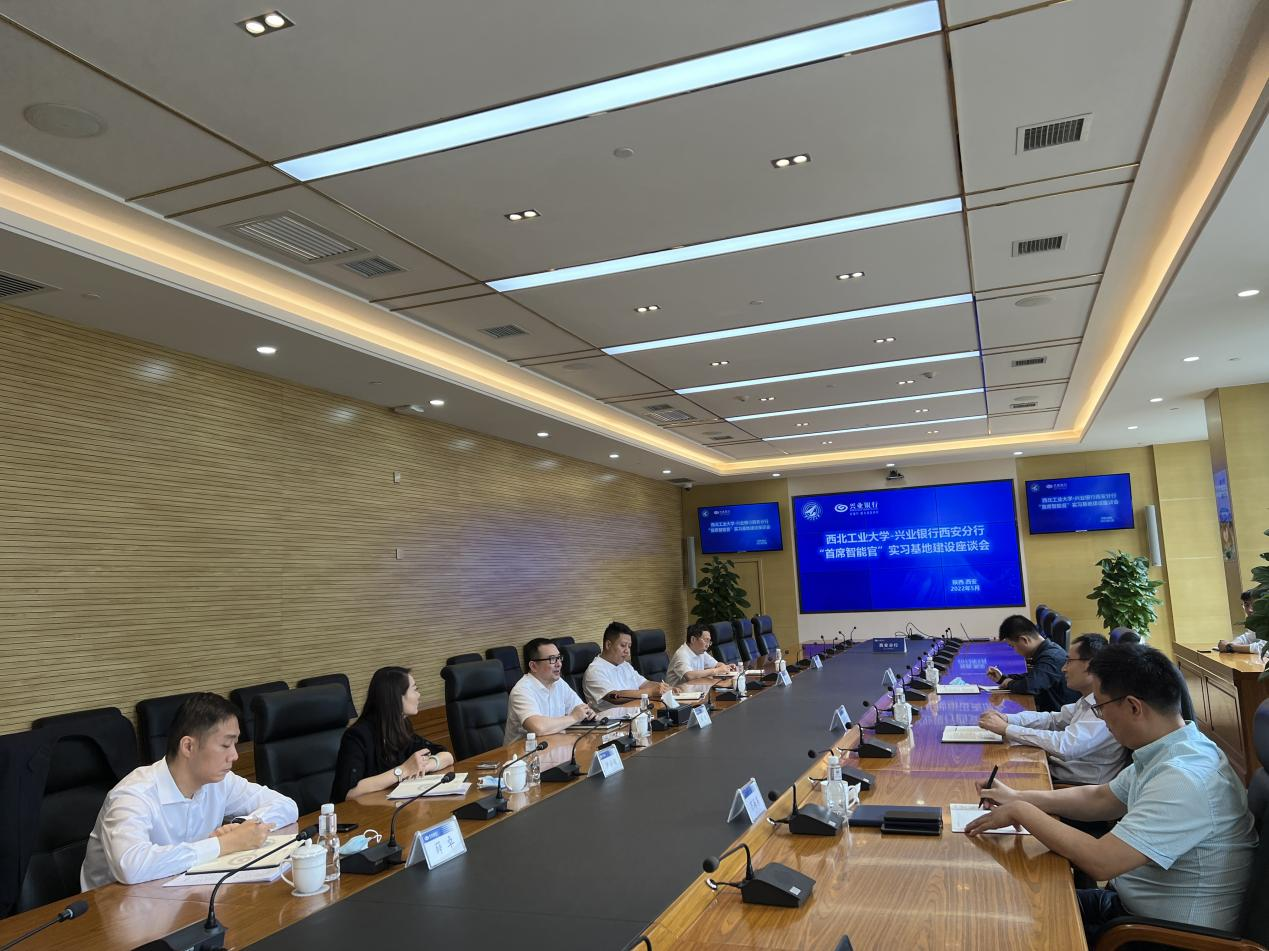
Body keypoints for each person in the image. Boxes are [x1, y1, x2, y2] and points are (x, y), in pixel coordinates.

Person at [967, 644, 1257, 945]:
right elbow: (1101, 799)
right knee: (1007, 903)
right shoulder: (1176, 748)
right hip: (1129, 909)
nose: (1101, 718)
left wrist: (1021, 812)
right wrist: (1017, 797)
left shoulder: (1184, 778)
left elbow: (1101, 861)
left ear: (1133, 707)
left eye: (1101, 707)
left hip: (1163, 937)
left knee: (1009, 931)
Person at [81, 693, 298, 889]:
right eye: (225, 745)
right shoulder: (133, 794)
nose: (234, 755)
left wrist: (244, 826)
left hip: (180, 892)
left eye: (235, 744)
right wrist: (224, 844)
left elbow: (286, 806)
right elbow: (130, 866)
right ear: (188, 746)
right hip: (112, 907)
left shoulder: (219, 781)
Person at [977, 634, 1126, 785]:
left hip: (1074, 786)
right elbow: (1052, 720)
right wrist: (1008, 719)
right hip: (1057, 772)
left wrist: (1007, 729)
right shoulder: (1088, 699)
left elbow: (1064, 746)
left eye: (1069, 661)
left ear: (1091, 665)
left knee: (991, 774)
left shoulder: (1106, 707)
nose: (1064, 668)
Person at [331, 666, 454, 803]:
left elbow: (447, 756)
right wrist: (403, 770)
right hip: (361, 812)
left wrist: (423, 766)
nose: (419, 695)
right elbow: (349, 793)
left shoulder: (400, 726)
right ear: (396, 697)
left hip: (391, 805)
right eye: (415, 689)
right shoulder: (356, 736)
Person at [504, 637, 596, 744]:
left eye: (559, 658)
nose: (559, 664)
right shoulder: (522, 690)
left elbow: (580, 709)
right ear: (533, 666)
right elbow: (538, 728)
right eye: (552, 659)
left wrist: (587, 714)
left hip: (555, 745)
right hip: (523, 752)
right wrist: (574, 717)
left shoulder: (559, 683)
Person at [987, 615, 1079, 712]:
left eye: (1013, 646)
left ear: (1024, 640)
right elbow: (1033, 676)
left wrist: (1009, 683)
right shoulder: (1047, 651)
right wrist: (1002, 678)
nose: (1015, 651)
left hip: (1060, 716)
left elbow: (1030, 686)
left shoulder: (1051, 657)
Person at [583, 622, 676, 708]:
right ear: (608, 645)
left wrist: (663, 688)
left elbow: (644, 684)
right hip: (613, 718)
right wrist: (651, 692)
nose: (627, 651)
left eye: (629, 646)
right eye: (623, 645)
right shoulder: (595, 670)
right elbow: (615, 697)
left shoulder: (625, 665)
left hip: (636, 712)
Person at [665, 623, 736, 687]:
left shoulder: (700, 651)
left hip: (695, 691)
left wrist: (725, 667)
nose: (708, 645)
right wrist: (716, 670)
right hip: (678, 694)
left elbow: (716, 664)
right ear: (693, 639)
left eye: (709, 641)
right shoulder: (681, 654)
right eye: (706, 640)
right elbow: (689, 676)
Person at [1217, 589, 1264, 653]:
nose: (1250, 610)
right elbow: (1248, 638)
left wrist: (1230, 647)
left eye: (1255, 605)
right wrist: (1230, 644)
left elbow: (1264, 649)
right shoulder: (1256, 621)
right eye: (1246, 605)